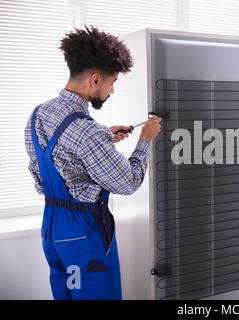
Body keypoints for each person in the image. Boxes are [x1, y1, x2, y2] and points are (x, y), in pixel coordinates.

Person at [24, 25, 161, 300]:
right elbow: (129, 181)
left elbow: (43, 175)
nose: (112, 90)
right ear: (95, 80)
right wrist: (145, 140)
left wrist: (104, 139)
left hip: (52, 231)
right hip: (85, 234)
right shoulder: (88, 132)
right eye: (112, 83)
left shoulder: (39, 114)